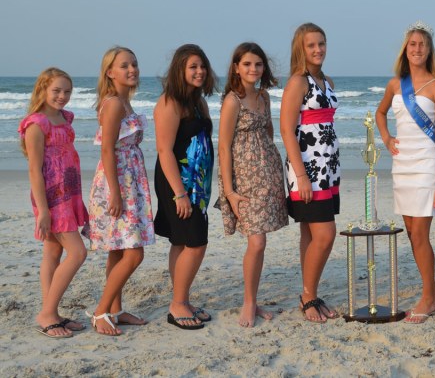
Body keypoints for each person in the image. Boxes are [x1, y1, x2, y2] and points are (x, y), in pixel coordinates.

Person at [376, 21, 435, 324]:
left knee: (420, 235)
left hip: (426, 166)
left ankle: (429, 296)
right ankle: (430, 292)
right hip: (402, 165)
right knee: (412, 234)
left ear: (430, 50)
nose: (417, 49)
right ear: (405, 50)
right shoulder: (395, 84)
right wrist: (386, 138)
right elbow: (380, 113)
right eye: (412, 44)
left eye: (422, 44)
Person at [217, 42, 288, 327]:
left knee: (262, 240)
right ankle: (248, 302)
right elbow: (223, 147)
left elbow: (269, 131)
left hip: (267, 174)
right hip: (244, 180)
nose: (253, 69)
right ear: (236, 67)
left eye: (258, 64)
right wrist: (230, 191)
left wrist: (272, 165)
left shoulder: (264, 96)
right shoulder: (232, 101)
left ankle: (254, 300)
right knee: (256, 241)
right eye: (247, 64)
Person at [85, 46, 155, 336]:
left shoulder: (125, 103)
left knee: (118, 250)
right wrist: (115, 192)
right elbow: (106, 150)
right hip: (118, 182)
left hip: (130, 179)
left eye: (134, 64)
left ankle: (116, 309)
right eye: (124, 65)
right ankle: (101, 312)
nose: (132, 70)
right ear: (110, 72)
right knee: (134, 253)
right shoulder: (113, 104)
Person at [19, 68, 89, 338]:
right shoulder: (36, 124)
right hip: (52, 199)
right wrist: (44, 210)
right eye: (57, 91)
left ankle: (52, 312)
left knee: (52, 253)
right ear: (43, 90)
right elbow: (34, 170)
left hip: (69, 193)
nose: (62, 96)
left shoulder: (64, 117)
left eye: (67, 91)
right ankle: (47, 313)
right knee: (78, 253)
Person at [280, 23, 341, 323]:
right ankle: (307, 295)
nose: (318, 49)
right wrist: (301, 175)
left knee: (310, 232)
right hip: (308, 169)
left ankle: (309, 291)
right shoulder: (297, 82)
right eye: (311, 45)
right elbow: (287, 130)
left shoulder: (326, 81)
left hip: (328, 167)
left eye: (322, 43)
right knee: (325, 234)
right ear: (301, 49)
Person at [153, 44, 216, 330]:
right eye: (193, 66)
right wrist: (179, 193)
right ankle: (177, 304)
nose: (200, 71)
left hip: (197, 183)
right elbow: (165, 150)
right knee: (196, 242)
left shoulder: (197, 101)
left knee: (181, 240)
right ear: (180, 69)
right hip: (178, 182)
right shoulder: (170, 102)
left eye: (202, 66)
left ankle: (182, 299)